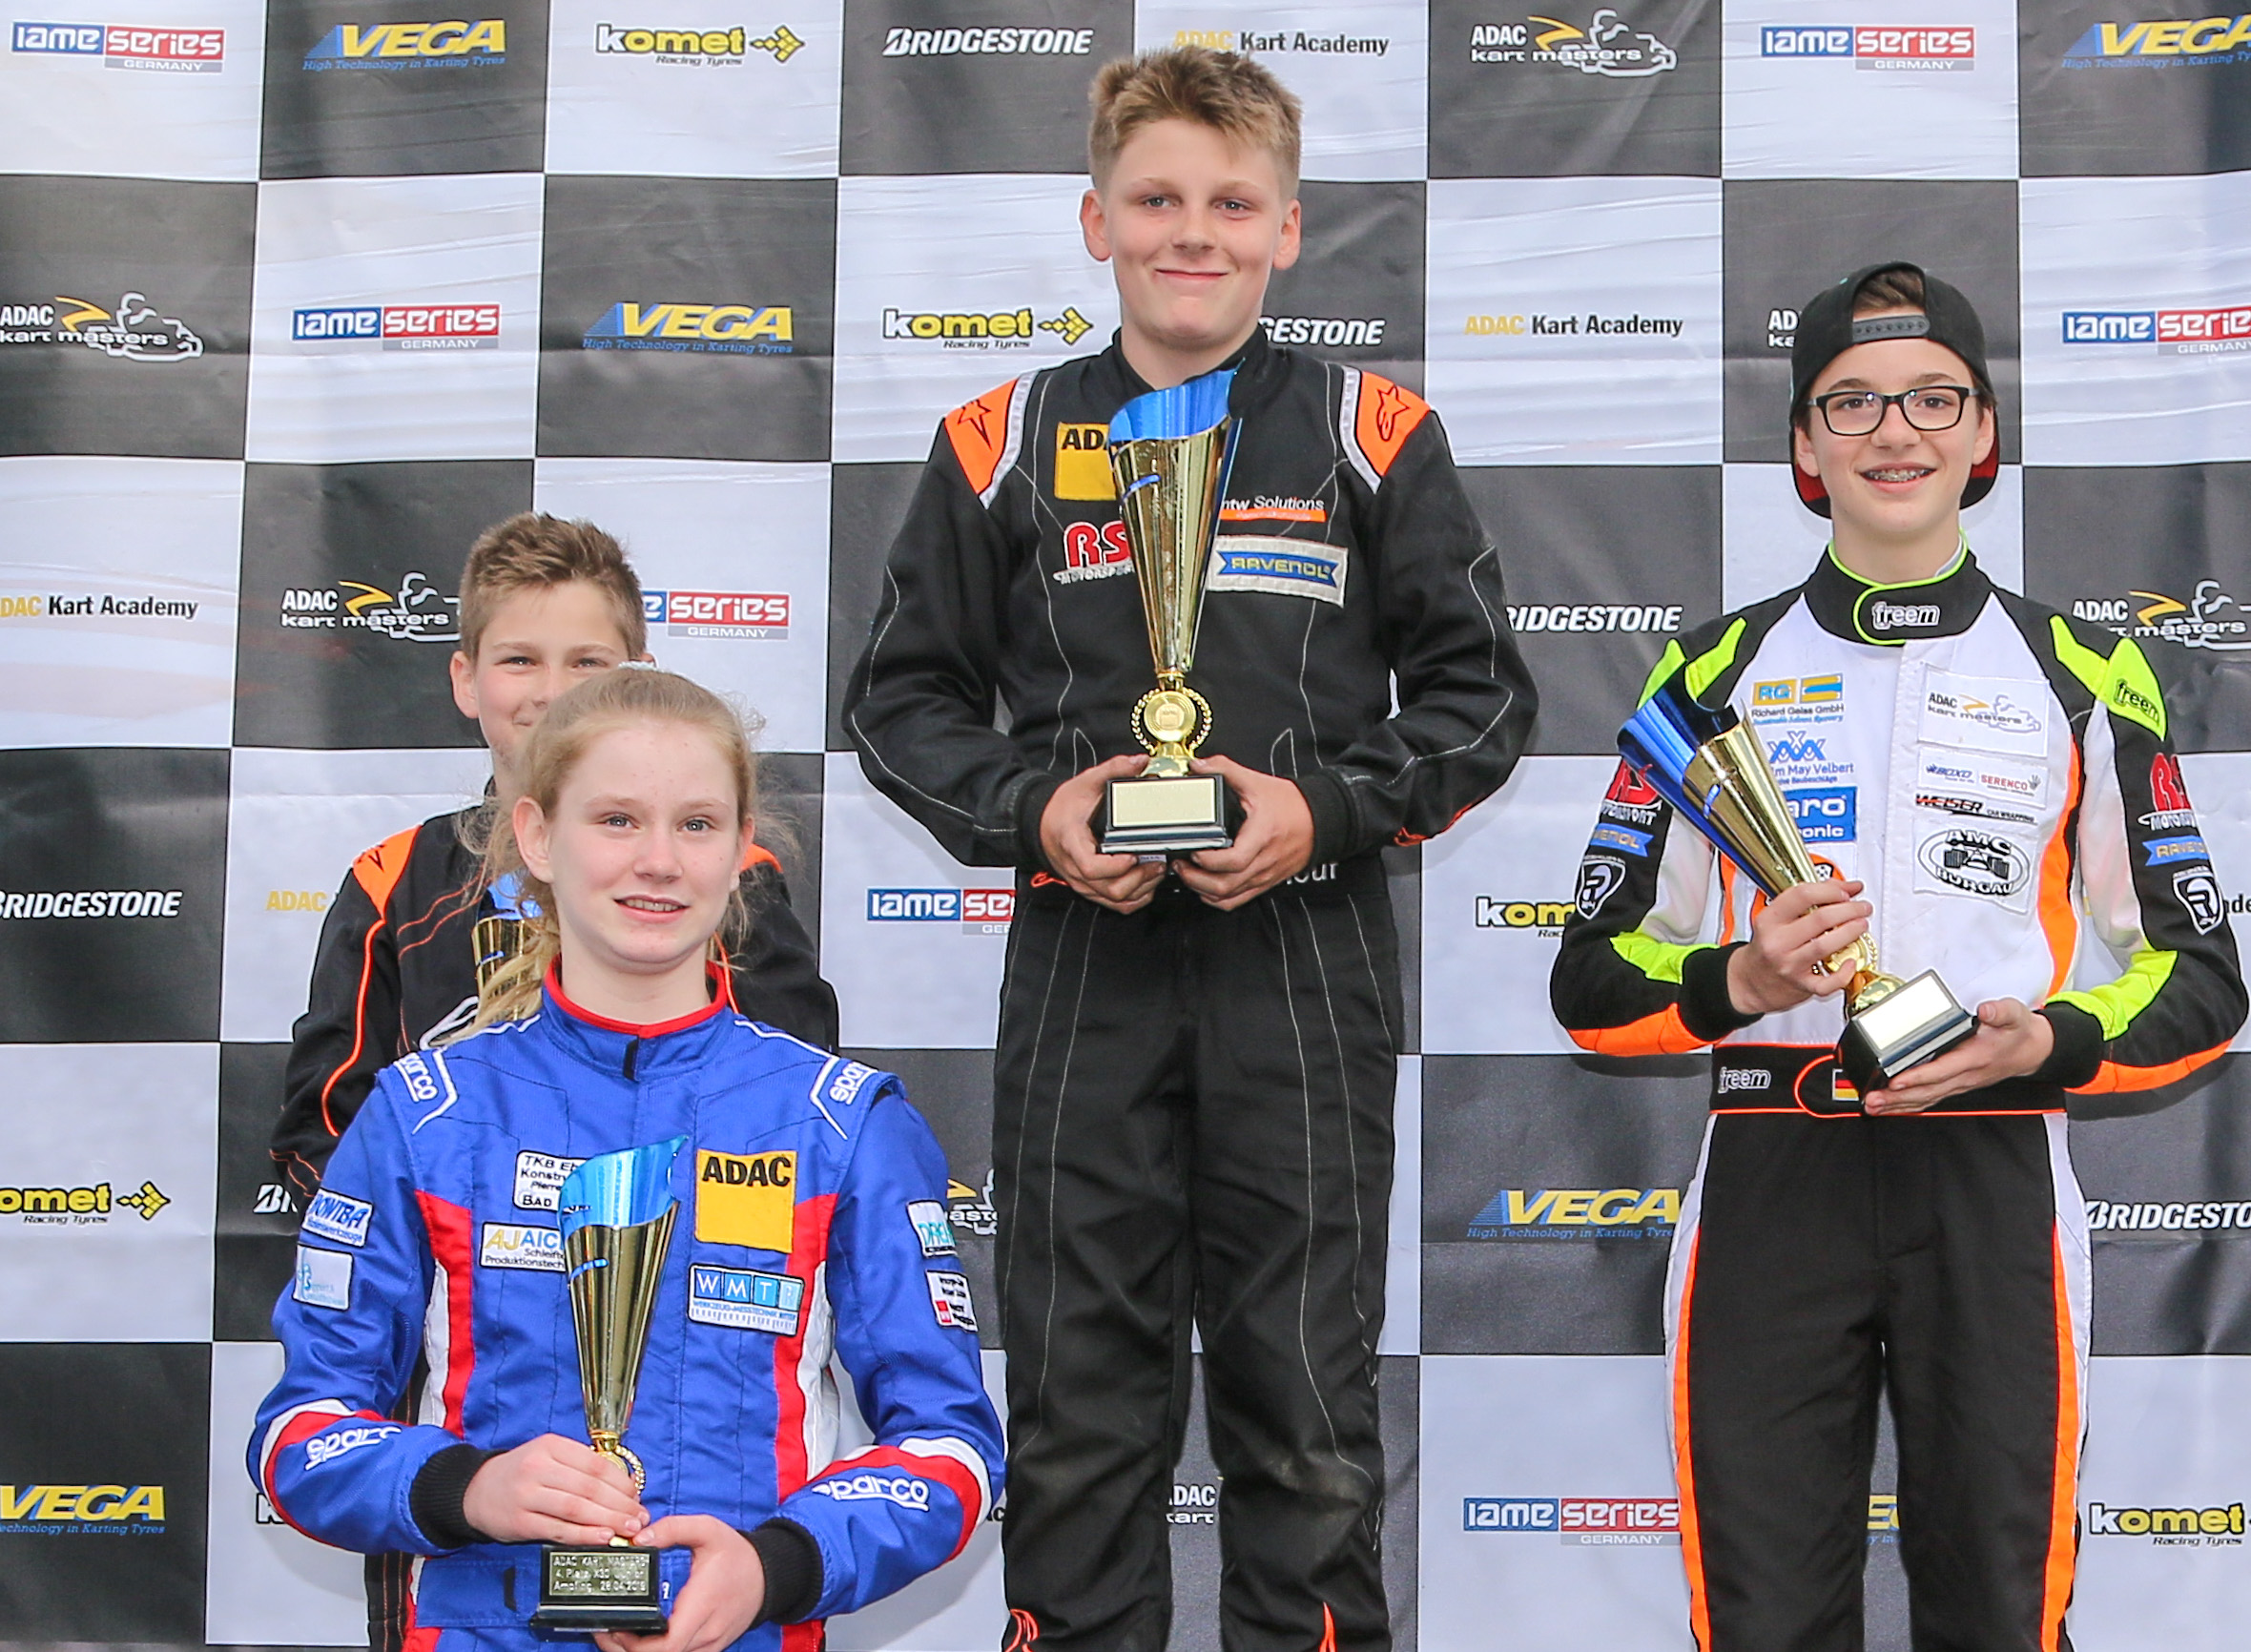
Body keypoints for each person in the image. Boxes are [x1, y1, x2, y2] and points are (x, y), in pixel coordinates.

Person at [843, 46, 1536, 1652]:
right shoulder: (998, 437)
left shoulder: (1371, 429)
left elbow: (1483, 694)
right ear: (1096, 222)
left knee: (1303, 1408)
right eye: (1155, 199)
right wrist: (1035, 811)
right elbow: (898, 699)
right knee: (1079, 1403)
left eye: (1231, 203)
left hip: (1303, 966)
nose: (1191, 233)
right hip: (1083, 963)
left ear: (1286, 228)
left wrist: (1322, 811)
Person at [1549, 262, 2247, 1651]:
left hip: (1993, 1173)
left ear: (1982, 432)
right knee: (1760, 1618)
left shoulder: (2082, 670)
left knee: (2001, 1610)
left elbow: (2199, 976)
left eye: (1933, 398)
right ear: (1804, 446)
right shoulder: (1707, 674)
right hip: (1772, 1172)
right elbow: (1591, 978)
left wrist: (2051, 1039)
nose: (1894, 430)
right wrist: (1741, 981)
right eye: (1851, 401)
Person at [250, 666, 1001, 1652]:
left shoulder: (842, 1123)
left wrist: (775, 1566)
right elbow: (299, 1433)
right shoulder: (426, 1114)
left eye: (697, 824)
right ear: (536, 837)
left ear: (741, 850)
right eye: (616, 820)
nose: (659, 860)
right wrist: (469, 1487)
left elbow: (951, 1447)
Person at [267, 512, 842, 1652]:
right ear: (466, 680)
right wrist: (474, 1220)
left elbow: (792, 1099)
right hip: (465, 1355)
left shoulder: (730, 877)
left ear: (635, 673)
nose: (550, 690)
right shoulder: (396, 880)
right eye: (520, 659)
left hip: (696, 1336)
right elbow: (323, 1118)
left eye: (587, 661)